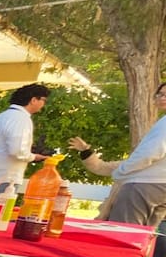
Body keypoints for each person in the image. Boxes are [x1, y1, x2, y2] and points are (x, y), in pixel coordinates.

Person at [68, 81, 166, 226]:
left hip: (143, 185)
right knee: (144, 239)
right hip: (159, 188)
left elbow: (149, 153)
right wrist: (85, 151)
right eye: (161, 94)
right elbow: (101, 167)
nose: (162, 98)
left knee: (124, 235)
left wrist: (123, 172)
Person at [0, 83, 50, 194]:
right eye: (44, 100)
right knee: (0, 211)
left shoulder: (1, 117)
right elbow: (17, 150)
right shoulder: (21, 119)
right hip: (4, 179)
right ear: (34, 100)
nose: (43, 104)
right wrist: (33, 157)